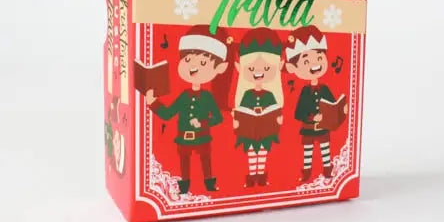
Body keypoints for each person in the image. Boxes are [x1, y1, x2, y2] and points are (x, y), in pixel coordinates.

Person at [145, 25, 234, 194]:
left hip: (203, 138)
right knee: (184, 163)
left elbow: (218, 118)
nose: (193, 67)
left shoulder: (207, 97)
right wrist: (153, 103)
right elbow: (168, 114)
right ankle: (184, 188)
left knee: (205, 161)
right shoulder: (184, 96)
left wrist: (202, 123)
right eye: (187, 60)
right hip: (183, 139)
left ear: (220, 68)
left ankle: (209, 185)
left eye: (203, 63)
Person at [285, 25, 348, 181]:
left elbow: (333, 104)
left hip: (323, 128)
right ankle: (306, 173)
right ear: (294, 67)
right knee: (308, 151)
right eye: (306, 61)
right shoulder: (305, 91)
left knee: (325, 150)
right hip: (308, 129)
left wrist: (342, 109)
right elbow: (298, 113)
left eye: (319, 58)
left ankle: (327, 170)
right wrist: (312, 117)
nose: (315, 63)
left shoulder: (324, 88)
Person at [233, 28, 284, 187]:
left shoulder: (270, 94)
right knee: (251, 154)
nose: (258, 72)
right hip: (249, 131)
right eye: (251, 68)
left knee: (262, 153)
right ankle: (252, 176)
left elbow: (275, 110)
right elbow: (241, 111)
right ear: (239, 68)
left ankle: (260, 176)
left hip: (265, 131)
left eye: (267, 68)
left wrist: (278, 119)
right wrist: (237, 120)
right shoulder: (246, 94)